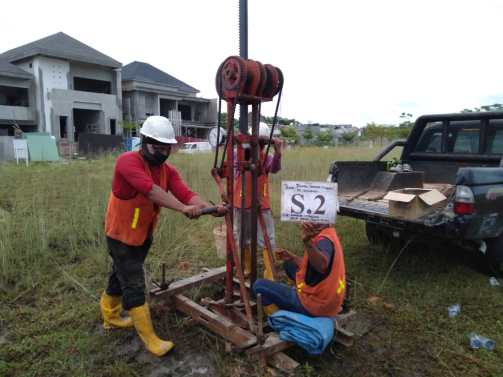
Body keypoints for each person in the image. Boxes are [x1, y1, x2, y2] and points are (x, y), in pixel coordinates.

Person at [100, 115, 226, 357]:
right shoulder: (127, 162)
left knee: (120, 275)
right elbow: (151, 191)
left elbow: (186, 194)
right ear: (144, 142)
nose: (162, 153)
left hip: (142, 234)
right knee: (134, 283)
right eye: (156, 147)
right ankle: (150, 340)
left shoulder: (168, 170)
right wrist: (183, 209)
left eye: (166, 148)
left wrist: (210, 208)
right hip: (120, 235)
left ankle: (110, 317)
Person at [252, 222, 346, 317]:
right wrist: (293, 257)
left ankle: (280, 317)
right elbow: (312, 266)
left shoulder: (324, 241)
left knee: (259, 285)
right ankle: (295, 298)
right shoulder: (329, 233)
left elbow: (322, 266)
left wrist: (307, 242)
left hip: (317, 306)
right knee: (289, 264)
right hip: (330, 299)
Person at [233, 122, 283, 280]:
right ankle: (247, 269)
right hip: (240, 202)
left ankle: (270, 276)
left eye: (262, 143)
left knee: (268, 239)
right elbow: (233, 168)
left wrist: (278, 153)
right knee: (243, 237)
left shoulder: (266, 156)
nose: (258, 146)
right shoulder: (238, 153)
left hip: (261, 203)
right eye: (256, 142)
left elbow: (274, 168)